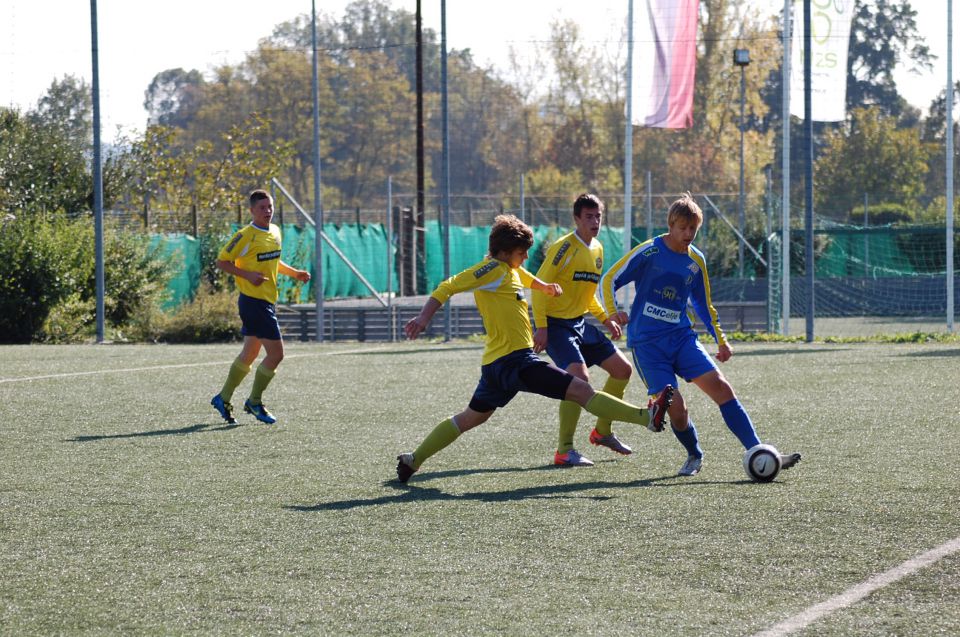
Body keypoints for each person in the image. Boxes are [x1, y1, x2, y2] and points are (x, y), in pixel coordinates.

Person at [396, 214, 673, 483]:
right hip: (515, 361)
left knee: (468, 418)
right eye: (522, 252)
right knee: (581, 389)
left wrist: (545, 287)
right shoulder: (492, 269)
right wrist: (423, 318)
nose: (526, 257)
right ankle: (645, 417)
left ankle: (414, 459)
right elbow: (449, 285)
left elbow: (525, 276)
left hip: (497, 366)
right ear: (505, 251)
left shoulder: (508, 269)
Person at [599, 193, 800, 477]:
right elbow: (610, 279)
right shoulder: (650, 251)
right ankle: (694, 455)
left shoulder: (696, 261)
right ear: (670, 225)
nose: (688, 234)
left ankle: (759, 451)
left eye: (693, 228)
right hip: (648, 346)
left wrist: (721, 338)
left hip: (681, 338)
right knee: (677, 408)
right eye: (682, 228)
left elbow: (703, 303)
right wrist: (612, 311)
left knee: (722, 387)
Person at [532, 193, 651, 467]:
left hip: (579, 323)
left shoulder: (597, 248)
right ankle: (564, 450)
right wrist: (541, 326)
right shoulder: (564, 248)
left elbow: (588, 294)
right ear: (576, 219)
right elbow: (538, 287)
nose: (595, 221)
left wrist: (606, 317)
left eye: (598, 216)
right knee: (578, 378)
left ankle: (603, 431)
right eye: (589, 216)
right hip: (556, 325)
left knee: (623, 370)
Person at [209, 189, 311, 425]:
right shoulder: (245, 236)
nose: (268, 211)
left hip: (266, 301)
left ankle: (222, 397)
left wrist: (294, 273)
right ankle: (254, 401)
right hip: (253, 302)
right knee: (276, 354)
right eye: (262, 208)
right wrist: (247, 275)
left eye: (270, 206)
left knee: (250, 354)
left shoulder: (275, 231)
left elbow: (274, 261)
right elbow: (222, 262)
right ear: (252, 210)